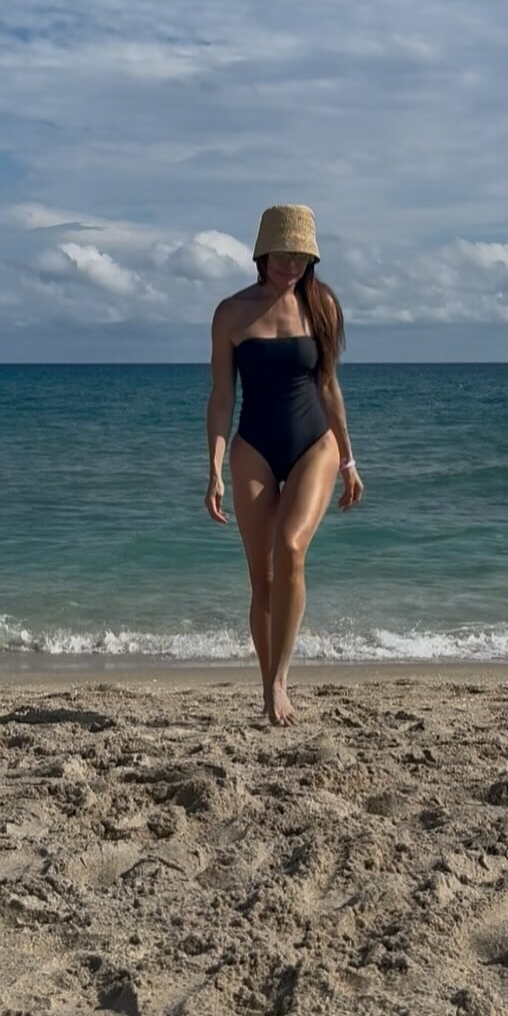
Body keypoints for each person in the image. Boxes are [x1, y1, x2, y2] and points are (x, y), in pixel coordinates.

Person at [205, 203, 364, 726]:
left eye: (300, 257)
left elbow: (329, 387)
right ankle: (267, 684)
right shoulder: (231, 313)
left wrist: (349, 459)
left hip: (314, 443)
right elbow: (222, 397)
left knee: (291, 547)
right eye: (282, 255)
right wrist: (214, 467)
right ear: (262, 254)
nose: (290, 266)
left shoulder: (323, 306)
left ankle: (280, 681)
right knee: (264, 578)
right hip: (253, 444)